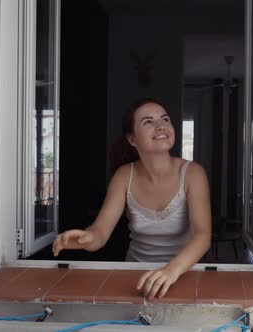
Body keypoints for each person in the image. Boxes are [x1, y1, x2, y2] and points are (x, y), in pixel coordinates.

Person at [52, 98, 211, 300]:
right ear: (132, 139)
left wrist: (171, 270)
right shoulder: (124, 175)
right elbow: (100, 231)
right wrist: (87, 239)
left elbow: (202, 236)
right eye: (148, 122)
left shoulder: (193, 173)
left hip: (183, 273)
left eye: (165, 119)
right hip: (136, 275)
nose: (161, 125)